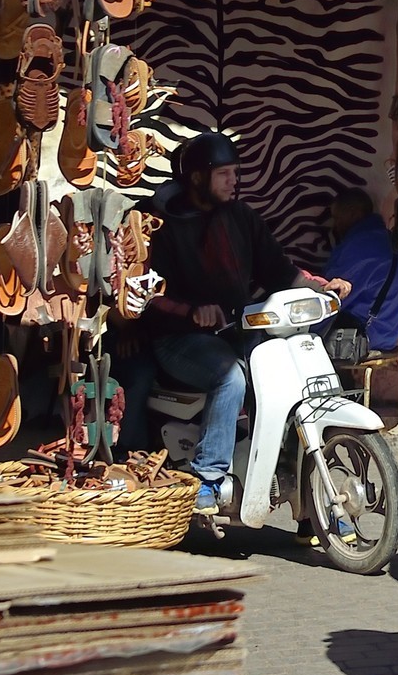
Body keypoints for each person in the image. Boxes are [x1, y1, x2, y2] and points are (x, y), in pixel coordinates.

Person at [145, 131, 349, 517]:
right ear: (198, 178)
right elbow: (148, 293)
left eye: (234, 173)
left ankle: (291, 475)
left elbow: (280, 271)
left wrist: (322, 287)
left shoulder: (242, 218)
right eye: (224, 174)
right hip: (179, 340)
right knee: (231, 376)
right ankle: (208, 479)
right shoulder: (165, 227)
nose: (232, 181)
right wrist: (192, 311)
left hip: (235, 331)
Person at [323, 190, 398, 351]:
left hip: (363, 338)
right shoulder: (387, 239)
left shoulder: (359, 246)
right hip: (388, 337)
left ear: (352, 214)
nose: (336, 225)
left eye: (337, 218)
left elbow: (330, 299)